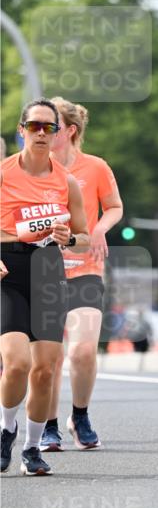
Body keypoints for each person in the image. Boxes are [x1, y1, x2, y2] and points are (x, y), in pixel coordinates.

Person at [1, 99, 89, 475]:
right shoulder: (2, 174)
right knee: (17, 364)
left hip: (48, 270)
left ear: (56, 135)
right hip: (8, 272)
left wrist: (70, 239)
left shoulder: (66, 181)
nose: (41, 133)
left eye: (48, 128)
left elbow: (84, 238)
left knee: (44, 371)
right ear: (21, 130)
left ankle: (32, 448)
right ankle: (7, 429)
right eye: (34, 126)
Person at [39, 98, 122, 452]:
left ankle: (80, 414)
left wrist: (100, 229)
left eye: (50, 127)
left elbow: (115, 207)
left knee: (84, 351)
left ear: (69, 131)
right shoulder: (31, 170)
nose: (42, 133)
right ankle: (48, 424)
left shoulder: (96, 167)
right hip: (42, 272)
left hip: (85, 269)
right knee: (51, 356)